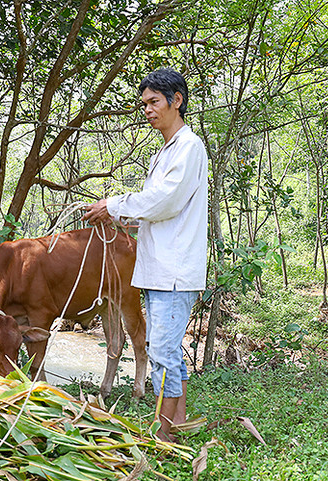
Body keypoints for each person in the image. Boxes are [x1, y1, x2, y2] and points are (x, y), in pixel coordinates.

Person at [82, 68, 208, 441]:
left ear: (177, 100)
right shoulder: (163, 153)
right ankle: (179, 424)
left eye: (154, 102)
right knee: (166, 350)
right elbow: (156, 211)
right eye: (145, 104)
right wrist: (119, 217)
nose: (148, 110)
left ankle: (162, 433)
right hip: (154, 270)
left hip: (173, 270)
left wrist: (114, 205)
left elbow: (164, 201)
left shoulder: (189, 148)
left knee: (163, 353)